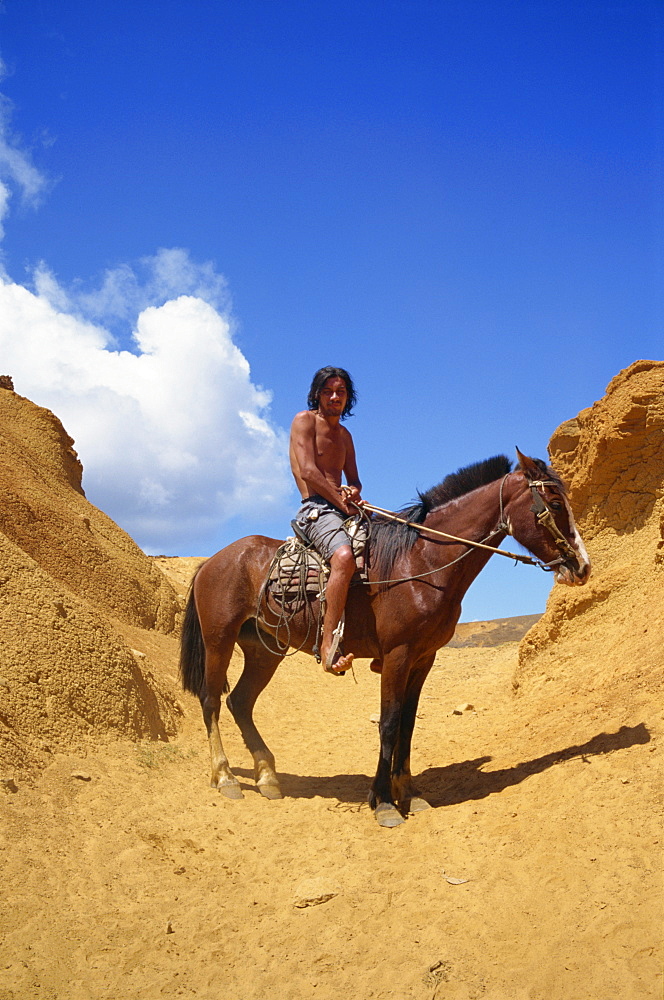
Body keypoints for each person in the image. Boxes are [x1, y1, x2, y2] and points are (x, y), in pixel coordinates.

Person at [289, 366, 363, 675]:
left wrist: (354, 495)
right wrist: (341, 502)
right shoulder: (304, 421)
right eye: (328, 391)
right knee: (344, 557)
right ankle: (328, 645)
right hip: (314, 510)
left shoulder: (345, 436)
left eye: (341, 392)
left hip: (339, 506)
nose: (335, 397)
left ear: (348, 398)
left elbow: (355, 480)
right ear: (317, 394)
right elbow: (307, 471)